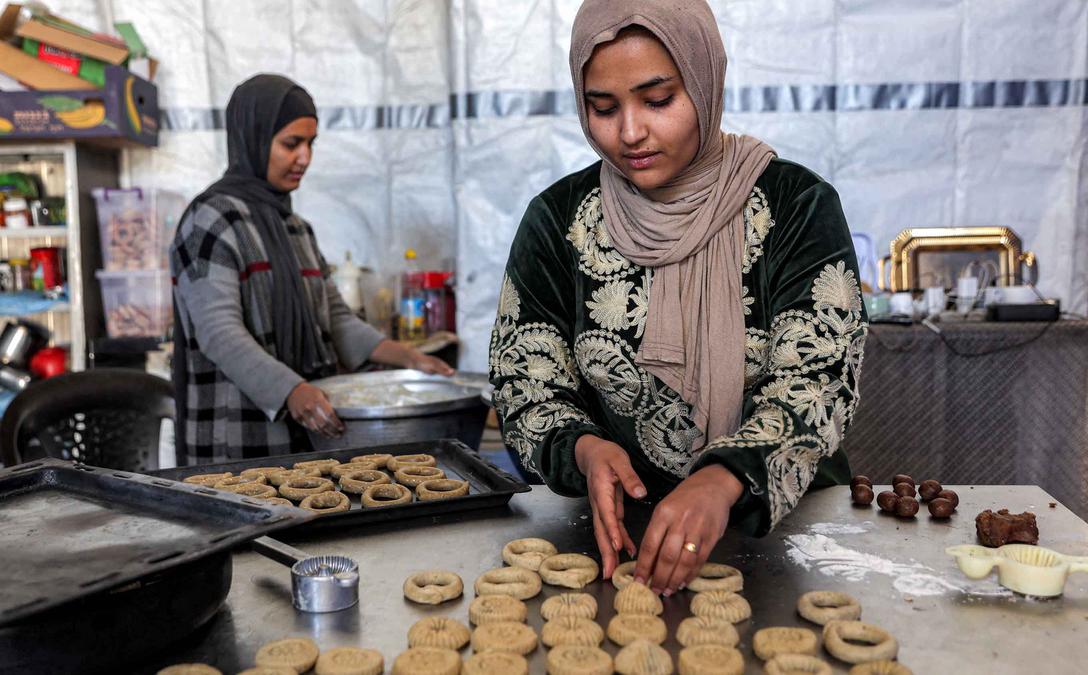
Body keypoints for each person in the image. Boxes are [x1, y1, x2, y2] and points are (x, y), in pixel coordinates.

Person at [489, 0, 868, 596]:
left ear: (705, 79)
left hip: (785, 538)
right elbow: (525, 383)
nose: (630, 132)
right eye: (603, 107)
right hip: (618, 540)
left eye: (659, 99)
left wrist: (723, 479)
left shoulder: (796, 206)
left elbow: (817, 381)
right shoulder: (558, 222)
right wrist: (583, 449)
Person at [171, 74, 452, 464]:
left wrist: (407, 359)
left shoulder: (296, 229)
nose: (305, 157)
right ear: (252, 137)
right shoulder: (210, 221)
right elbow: (219, 334)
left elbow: (335, 318)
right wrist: (292, 391)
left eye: (310, 143)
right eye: (291, 143)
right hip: (237, 445)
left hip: (303, 441)